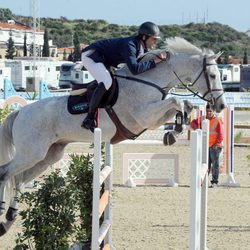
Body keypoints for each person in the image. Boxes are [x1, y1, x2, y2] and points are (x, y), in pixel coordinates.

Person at [81, 21, 167, 132]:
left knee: (113, 81)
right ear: (144, 37)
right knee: (107, 81)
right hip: (91, 56)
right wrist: (156, 61)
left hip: (104, 60)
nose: (155, 42)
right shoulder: (130, 45)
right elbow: (135, 69)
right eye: (154, 39)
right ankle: (89, 118)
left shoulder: (142, 48)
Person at [190, 103, 224, 188]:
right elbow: (192, 123)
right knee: (205, 165)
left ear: (213, 111)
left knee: (215, 164)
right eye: (207, 111)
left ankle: (214, 182)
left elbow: (221, 134)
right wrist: (197, 128)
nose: (209, 113)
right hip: (205, 146)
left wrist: (217, 143)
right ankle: (203, 181)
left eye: (210, 111)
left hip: (215, 146)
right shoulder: (202, 119)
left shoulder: (217, 120)